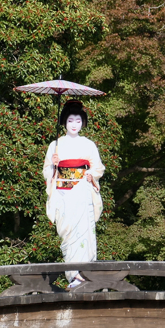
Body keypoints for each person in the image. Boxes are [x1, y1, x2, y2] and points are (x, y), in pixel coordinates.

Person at [43, 100, 104, 289]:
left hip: (82, 192)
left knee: (83, 232)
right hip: (63, 193)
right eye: (70, 120)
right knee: (69, 234)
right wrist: (54, 165)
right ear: (64, 122)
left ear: (83, 122)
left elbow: (98, 168)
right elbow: (47, 171)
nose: (74, 125)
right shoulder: (55, 145)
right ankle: (72, 275)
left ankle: (83, 274)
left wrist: (90, 175)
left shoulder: (89, 144)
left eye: (78, 120)